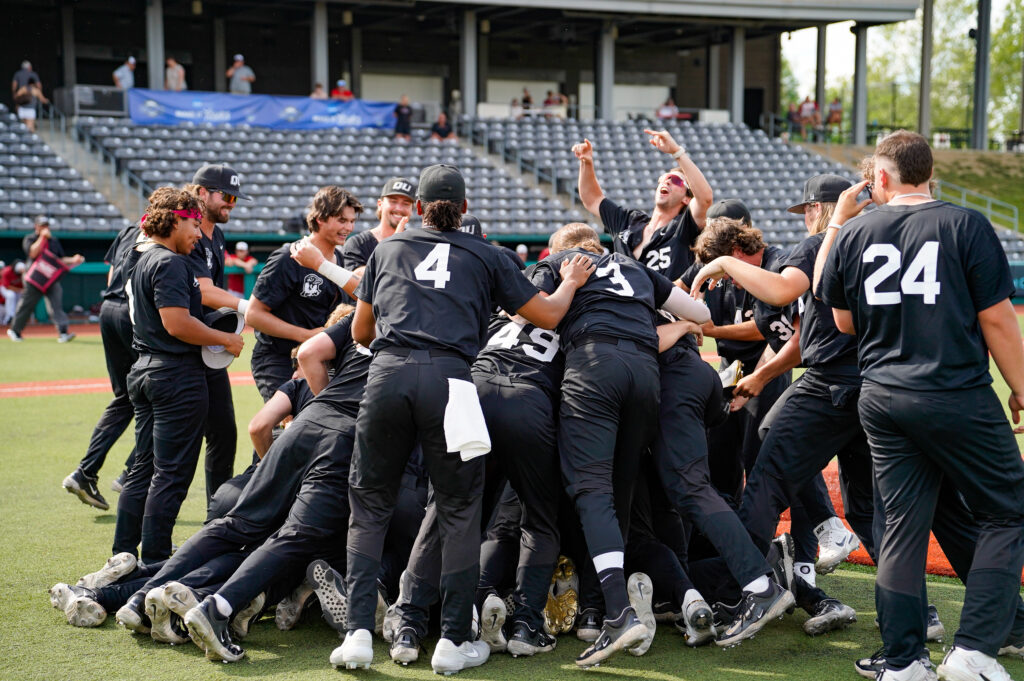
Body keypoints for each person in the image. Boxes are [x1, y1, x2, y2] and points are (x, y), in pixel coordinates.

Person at [335, 164, 594, 674]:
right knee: (458, 508)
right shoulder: (488, 254)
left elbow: (361, 331)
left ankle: (359, 634)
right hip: (453, 380)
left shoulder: (386, 249)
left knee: (368, 506)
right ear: (465, 209)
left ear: (418, 208)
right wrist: (567, 284)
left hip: (387, 375)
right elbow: (546, 315)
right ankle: (453, 642)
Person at [819, 130, 1024, 681]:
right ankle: (976, 649)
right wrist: (1021, 386)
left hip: (883, 395)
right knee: (1008, 508)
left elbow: (842, 322)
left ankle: (906, 660)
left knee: (904, 527)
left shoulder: (856, 230)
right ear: (929, 173)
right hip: (954, 391)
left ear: (880, 177)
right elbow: (999, 319)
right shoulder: (966, 224)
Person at [529, 223, 718, 666]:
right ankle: (640, 600)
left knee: (589, 494)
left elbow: (524, 313)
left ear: (564, 250)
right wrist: (688, 321)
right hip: (646, 378)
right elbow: (700, 313)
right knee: (622, 499)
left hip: (592, 370)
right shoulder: (633, 267)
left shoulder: (558, 264)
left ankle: (613, 610)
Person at [110, 186, 243, 566]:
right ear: (175, 219)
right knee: (171, 474)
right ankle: (154, 559)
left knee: (144, 468)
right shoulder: (170, 262)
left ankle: (122, 553)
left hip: (145, 370)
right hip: (175, 375)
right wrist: (225, 339)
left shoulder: (142, 256)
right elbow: (177, 323)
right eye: (194, 223)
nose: (199, 233)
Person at [246, 186, 363, 401]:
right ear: (320, 218)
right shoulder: (287, 257)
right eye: (341, 220)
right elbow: (253, 315)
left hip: (322, 360)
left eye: (351, 221)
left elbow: (365, 293)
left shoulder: (343, 260)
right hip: (280, 359)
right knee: (285, 429)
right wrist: (307, 336)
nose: (349, 227)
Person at [62, 220, 146, 510]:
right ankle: (132, 473)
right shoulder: (173, 225)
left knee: (125, 398)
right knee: (162, 397)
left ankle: (85, 472)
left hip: (109, 308)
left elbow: (112, 272)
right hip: (133, 313)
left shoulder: (131, 227)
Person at [185, 164, 253, 501]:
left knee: (224, 432)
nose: (231, 203)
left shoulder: (218, 234)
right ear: (201, 193)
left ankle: (218, 511)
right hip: (183, 347)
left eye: (235, 198)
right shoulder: (188, 231)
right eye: (226, 196)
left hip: (208, 345)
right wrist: (249, 307)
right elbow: (206, 293)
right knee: (178, 442)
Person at [573, 128, 712, 281]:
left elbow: (705, 199)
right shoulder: (629, 221)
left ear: (687, 199)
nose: (667, 181)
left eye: (676, 180)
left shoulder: (683, 227)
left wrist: (677, 152)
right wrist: (586, 162)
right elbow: (592, 199)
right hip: (620, 304)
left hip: (664, 305)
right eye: (665, 178)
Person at [7, 216, 84, 343]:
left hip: (50, 278)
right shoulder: (30, 238)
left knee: (56, 305)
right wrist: (42, 237)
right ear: (36, 227)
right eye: (42, 225)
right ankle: (15, 331)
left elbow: (59, 259)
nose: (45, 228)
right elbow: (32, 253)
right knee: (26, 305)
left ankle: (63, 332)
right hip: (34, 279)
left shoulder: (53, 241)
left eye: (46, 225)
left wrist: (73, 259)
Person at [342, 178, 415, 274]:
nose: (399, 208)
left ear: (412, 210)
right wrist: (392, 247)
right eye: (393, 201)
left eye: (406, 204)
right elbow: (354, 279)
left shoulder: (416, 245)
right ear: (380, 204)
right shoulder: (358, 243)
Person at [11, 60, 45, 132]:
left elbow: (14, 86)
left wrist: (14, 95)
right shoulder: (33, 76)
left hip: (22, 106)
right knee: (30, 127)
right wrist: (40, 95)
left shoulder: (19, 77)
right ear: (29, 67)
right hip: (30, 106)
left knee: (23, 126)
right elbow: (39, 86)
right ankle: (30, 140)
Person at [1, 260, 25, 325]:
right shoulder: (7, 271)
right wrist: (20, 290)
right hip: (7, 289)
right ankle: (10, 316)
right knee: (11, 295)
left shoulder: (24, 272)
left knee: (21, 298)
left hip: (18, 290)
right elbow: (7, 286)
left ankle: (16, 317)